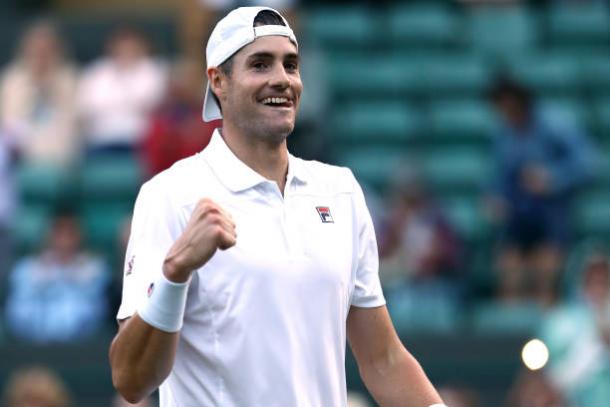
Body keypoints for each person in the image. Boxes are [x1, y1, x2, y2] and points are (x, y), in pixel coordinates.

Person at [109, 6, 445, 407]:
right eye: (260, 64)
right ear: (218, 81)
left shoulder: (340, 191)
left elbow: (384, 360)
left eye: (291, 64)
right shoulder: (169, 194)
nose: (282, 79)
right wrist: (174, 272)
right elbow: (130, 380)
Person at [485, 76, 597, 306]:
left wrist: (552, 179)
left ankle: (546, 317)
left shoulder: (556, 125)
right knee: (509, 267)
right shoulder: (503, 135)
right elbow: (498, 177)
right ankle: (510, 325)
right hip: (517, 214)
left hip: (551, 212)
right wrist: (495, 198)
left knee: (546, 268)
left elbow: (589, 164)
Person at [5, 208, 110, 343]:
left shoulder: (96, 271)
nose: (64, 239)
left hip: (80, 351)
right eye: (59, 231)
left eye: (70, 232)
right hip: (31, 349)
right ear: (48, 234)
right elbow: (17, 314)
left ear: (81, 235)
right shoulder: (25, 270)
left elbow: (95, 315)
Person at [0, 19, 79, 166]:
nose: (41, 54)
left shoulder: (68, 78)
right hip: (20, 146)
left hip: (58, 143)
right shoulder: (12, 78)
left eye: (46, 49)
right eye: (36, 49)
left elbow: (73, 120)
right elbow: (8, 121)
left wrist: (49, 85)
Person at [77, 26, 166, 156]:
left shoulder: (152, 70)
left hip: (139, 138)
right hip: (102, 138)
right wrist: (128, 103)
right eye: (122, 45)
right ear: (112, 47)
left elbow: (152, 102)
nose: (126, 50)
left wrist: (115, 102)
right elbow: (88, 105)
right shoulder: (97, 71)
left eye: (131, 46)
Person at [140, 57, 221, 177]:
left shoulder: (214, 119)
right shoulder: (161, 122)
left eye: (192, 80)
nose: (186, 85)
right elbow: (154, 164)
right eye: (182, 80)